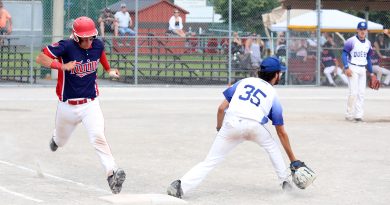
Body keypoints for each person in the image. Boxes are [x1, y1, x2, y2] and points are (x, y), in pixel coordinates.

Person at [167, 56, 303, 198]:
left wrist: (220, 129)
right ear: (275, 75)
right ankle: (285, 183)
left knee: (210, 161)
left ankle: (180, 186)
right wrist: (293, 159)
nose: (280, 75)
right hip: (255, 126)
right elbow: (281, 132)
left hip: (231, 124)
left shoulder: (244, 82)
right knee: (272, 146)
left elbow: (221, 109)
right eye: (280, 73)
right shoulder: (273, 94)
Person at [35, 16, 126, 194]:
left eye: (91, 37)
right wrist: (61, 66)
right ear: (76, 37)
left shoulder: (97, 45)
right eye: (84, 38)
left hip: (90, 104)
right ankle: (55, 139)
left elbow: (100, 56)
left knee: (98, 137)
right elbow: (40, 58)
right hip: (67, 106)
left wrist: (108, 70)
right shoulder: (66, 46)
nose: (88, 41)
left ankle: (112, 175)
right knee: (61, 140)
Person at [342, 22, 379, 122]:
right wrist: (346, 67)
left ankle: (358, 115)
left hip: (363, 69)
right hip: (352, 67)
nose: (362, 31)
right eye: (361, 29)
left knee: (361, 93)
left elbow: (368, 59)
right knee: (353, 92)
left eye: (364, 29)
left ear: (366, 31)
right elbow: (344, 54)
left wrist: (371, 73)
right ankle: (349, 114)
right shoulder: (351, 41)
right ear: (357, 30)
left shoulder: (368, 43)